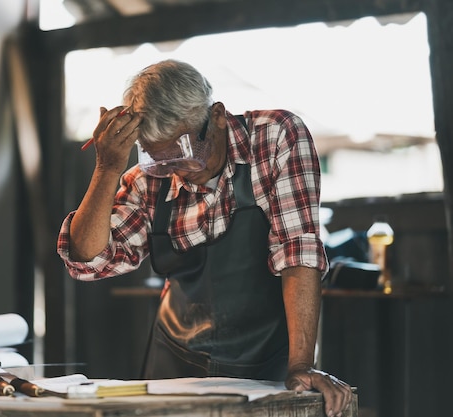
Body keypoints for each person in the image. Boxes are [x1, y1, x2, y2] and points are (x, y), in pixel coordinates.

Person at [57, 59, 352, 417]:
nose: (177, 170)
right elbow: (88, 261)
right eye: (159, 159)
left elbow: (298, 253)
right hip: (175, 366)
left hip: (267, 362)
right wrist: (107, 169)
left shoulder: (275, 136)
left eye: (185, 153)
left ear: (218, 116)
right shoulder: (147, 179)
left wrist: (302, 365)